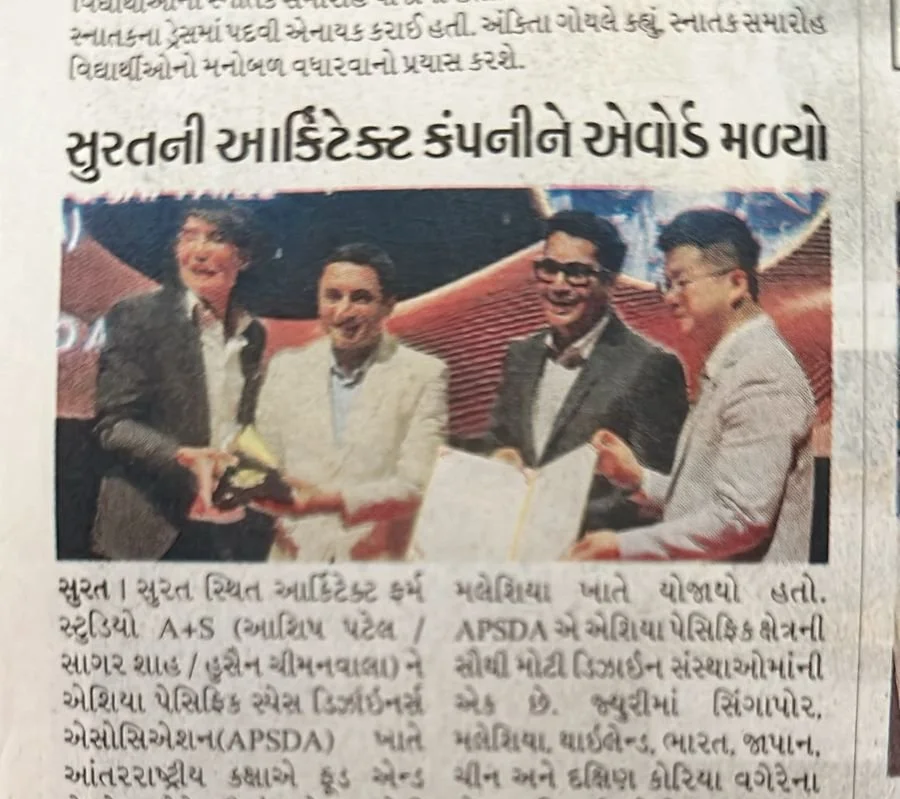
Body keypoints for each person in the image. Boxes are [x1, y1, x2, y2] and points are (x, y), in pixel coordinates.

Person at [570, 208, 816, 562]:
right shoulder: (737, 365)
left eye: (681, 282)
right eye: (667, 283)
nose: (669, 297)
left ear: (736, 283)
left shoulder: (763, 375)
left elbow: (741, 518)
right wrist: (637, 478)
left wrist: (622, 546)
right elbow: (706, 501)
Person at [474, 209, 688, 533]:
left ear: (610, 279)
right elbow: (500, 439)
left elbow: (652, 493)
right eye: (549, 269)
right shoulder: (521, 354)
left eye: (576, 273)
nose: (558, 286)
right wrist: (500, 457)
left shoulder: (652, 367)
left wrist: (550, 518)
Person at [92, 203, 271, 561]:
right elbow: (113, 426)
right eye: (188, 237)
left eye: (216, 238)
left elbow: (241, 425)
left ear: (244, 258)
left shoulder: (253, 333)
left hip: (226, 528)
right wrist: (182, 457)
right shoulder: (138, 316)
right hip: (148, 531)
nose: (199, 251)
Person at [255, 242, 448, 561]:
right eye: (333, 296)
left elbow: (416, 484)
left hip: (376, 567)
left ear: (388, 306)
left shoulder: (424, 375)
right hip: (293, 563)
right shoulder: (284, 367)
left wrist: (329, 501)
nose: (343, 312)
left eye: (361, 298)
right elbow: (265, 465)